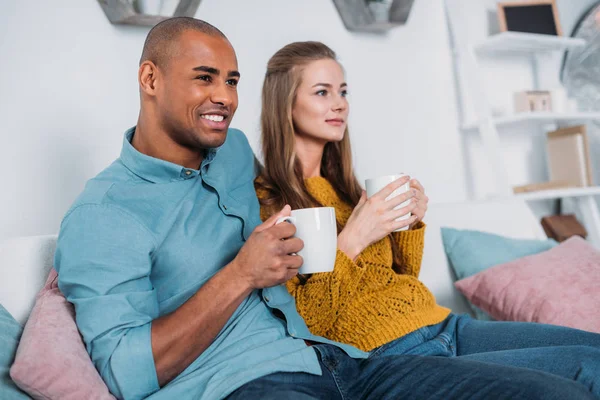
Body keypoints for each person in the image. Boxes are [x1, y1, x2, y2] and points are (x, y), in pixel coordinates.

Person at [53, 17, 597, 400]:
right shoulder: (103, 214)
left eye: (232, 80)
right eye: (204, 78)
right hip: (256, 382)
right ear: (150, 79)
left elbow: (348, 278)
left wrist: (397, 219)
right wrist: (242, 274)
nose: (224, 96)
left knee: (568, 384)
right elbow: (125, 374)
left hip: (338, 359)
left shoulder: (232, 153)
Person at [255, 40, 600, 396]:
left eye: (343, 91)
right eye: (322, 92)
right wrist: (353, 240)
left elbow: (395, 282)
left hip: (443, 324)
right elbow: (310, 321)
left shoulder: (347, 190)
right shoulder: (268, 204)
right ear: (285, 103)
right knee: (570, 385)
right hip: (391, 353)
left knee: (595, 358)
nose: (340, 103)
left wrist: (410, 224)